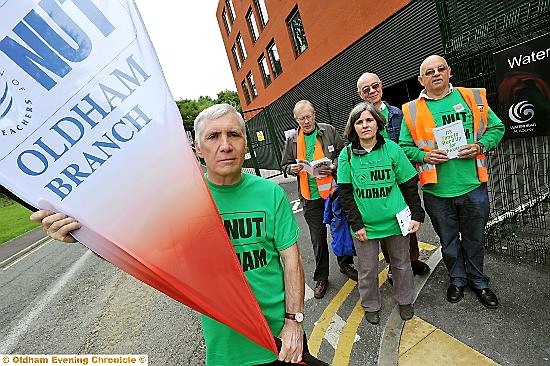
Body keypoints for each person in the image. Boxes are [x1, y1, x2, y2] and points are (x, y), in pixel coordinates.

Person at [31, 104, 310, 365]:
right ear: (198, 149)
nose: (225, 145)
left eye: (233, 134)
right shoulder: (183, 202)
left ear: (245, 144)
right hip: (227, 348)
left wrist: (293, 322)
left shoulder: (270, 193)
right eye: (213, 137)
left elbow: (291, 261)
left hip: (283, 339)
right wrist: (82, 236)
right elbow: (136, 253)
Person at [399, 55, 505, 309]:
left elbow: (497, 128)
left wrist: (480, 145)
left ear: (449, 72)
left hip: (473, 186)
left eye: (440, 69)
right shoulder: (412, 110)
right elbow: (404, 147)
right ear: (420, 79)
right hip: (437, 191)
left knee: (475, 239)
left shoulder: (471, 98)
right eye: (429, 72)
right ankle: (457, 279)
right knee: (447, 242)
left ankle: (479, 281)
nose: (435, 74)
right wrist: (424, 155)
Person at [337, 102, 425, 324]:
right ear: (352, 127)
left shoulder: (393, 149)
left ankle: (405, 300)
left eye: (369, 120)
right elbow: (345, 195)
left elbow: (408, 183)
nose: (365, 125)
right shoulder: (346, 156)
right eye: (359, 122)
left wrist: (417, 214)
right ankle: (370, 304)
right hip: (366, 226)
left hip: (396, 222)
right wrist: (357, 225)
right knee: (367, 269)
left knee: (402, 264)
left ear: (378, 123)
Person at [356, 72, 431, 280]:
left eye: (375, 86)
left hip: (401, 177)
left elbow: (408, 143)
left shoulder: (398, 113)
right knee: (384, 224)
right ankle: (392, 263)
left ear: (381, 86)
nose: (372, 91)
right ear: (360, 94)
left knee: (407, 220)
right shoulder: (359, 119)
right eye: (366, 89)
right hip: (377, 180)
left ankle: (412, 259)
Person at [281, 100, 357, 300]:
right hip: (310, 197)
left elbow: (343, 153)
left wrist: (333, 165)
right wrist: (292, 169)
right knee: (318, 239)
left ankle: (345, 264)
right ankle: (321, 277)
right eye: (301, 118)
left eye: (308, 116)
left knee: (340, 230)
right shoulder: (292, 141)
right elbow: (285, 164)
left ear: (314, 114)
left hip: (332, 194)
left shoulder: (328, 130)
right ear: (295, 119)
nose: (306, 121)